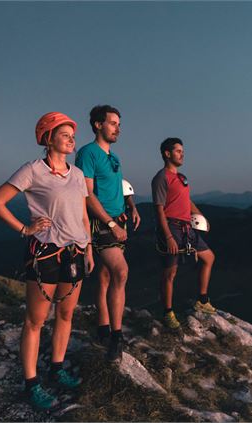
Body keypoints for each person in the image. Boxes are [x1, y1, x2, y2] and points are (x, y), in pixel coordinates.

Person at [0, 112, 93, 410]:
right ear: (48, 138)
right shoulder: (32, 170)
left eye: (73, 134)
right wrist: (24, 229)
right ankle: (31, 383)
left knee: (66, 315)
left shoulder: (76, 174)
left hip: (75, 253)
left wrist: (89, 249)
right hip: (45, 254)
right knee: (35, 320)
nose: (72, 138)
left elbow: (83, 215)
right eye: (65, 134)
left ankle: (57, 368)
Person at [75, 105, 140, 361]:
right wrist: (110, 224)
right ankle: (116, 336)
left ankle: (102, 326)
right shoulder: (87, 153)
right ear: (98, 125)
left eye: (119, 124)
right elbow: (88, 194)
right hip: (100, 223)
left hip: (116, 219)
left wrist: (129, 208)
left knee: (104, 276)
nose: (118, 129)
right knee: (120, 272)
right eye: (113, 123)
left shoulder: (114, 156)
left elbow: (117, 187)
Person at [151, 137, 216, 330]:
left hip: (188, 228)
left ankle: (202, 300)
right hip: (171, 227)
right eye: (178, 151)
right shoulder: (161, 177)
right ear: (167, 154)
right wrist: (168, 236)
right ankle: (167, 313)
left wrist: (201, 216)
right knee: (170, 273)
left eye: (182, 151)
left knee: (209, 258)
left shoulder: (181, 178)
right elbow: (159, 209)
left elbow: (187, 202)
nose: (182, 154)